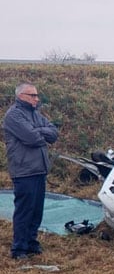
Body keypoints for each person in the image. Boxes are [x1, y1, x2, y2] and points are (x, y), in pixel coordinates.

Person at [3, 82, 59, 260]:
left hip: (39, 169)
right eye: (32, 95)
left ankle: (31, 242)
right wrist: (41, 132)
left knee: (36, 210)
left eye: (36, 95)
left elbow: (53, 133)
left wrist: (40, 130)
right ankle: (19, 248)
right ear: (21, 96)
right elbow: (32, 138)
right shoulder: (13, 116)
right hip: (24, 170)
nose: (37, 99)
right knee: (24, 210)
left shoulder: (35, 114)